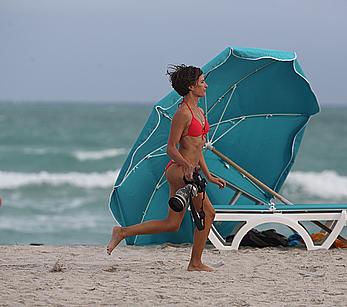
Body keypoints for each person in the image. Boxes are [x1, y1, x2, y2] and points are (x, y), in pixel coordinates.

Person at [107, 65, 226, 272]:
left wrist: (209, 175)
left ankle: (122, 232)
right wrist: (188, 165)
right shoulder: (183, 114)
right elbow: (170, 149)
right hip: (180, 171)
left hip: (192, 171)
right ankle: (195, 263)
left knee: (172, 223)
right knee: (208, 212)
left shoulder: (199, 111)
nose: (206, 85)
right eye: (202, 82)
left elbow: (198, 148)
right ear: (191, 86)